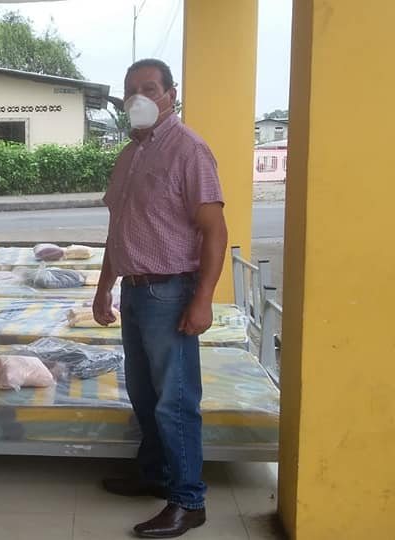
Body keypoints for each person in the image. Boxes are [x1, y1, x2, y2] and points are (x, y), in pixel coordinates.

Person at [92, 58, 228, 539]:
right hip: (133, 290)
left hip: (170, 292)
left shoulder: (189, 149)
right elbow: (119, 228)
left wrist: (203, 298)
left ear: (171, 94)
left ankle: (189, 500)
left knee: (175, 401)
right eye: (131, 90)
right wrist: (104, 285)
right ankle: (154, 473)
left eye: (149, 88)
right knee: (144, 393)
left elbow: (215, 230)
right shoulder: (130, 154)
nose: (139, 98)